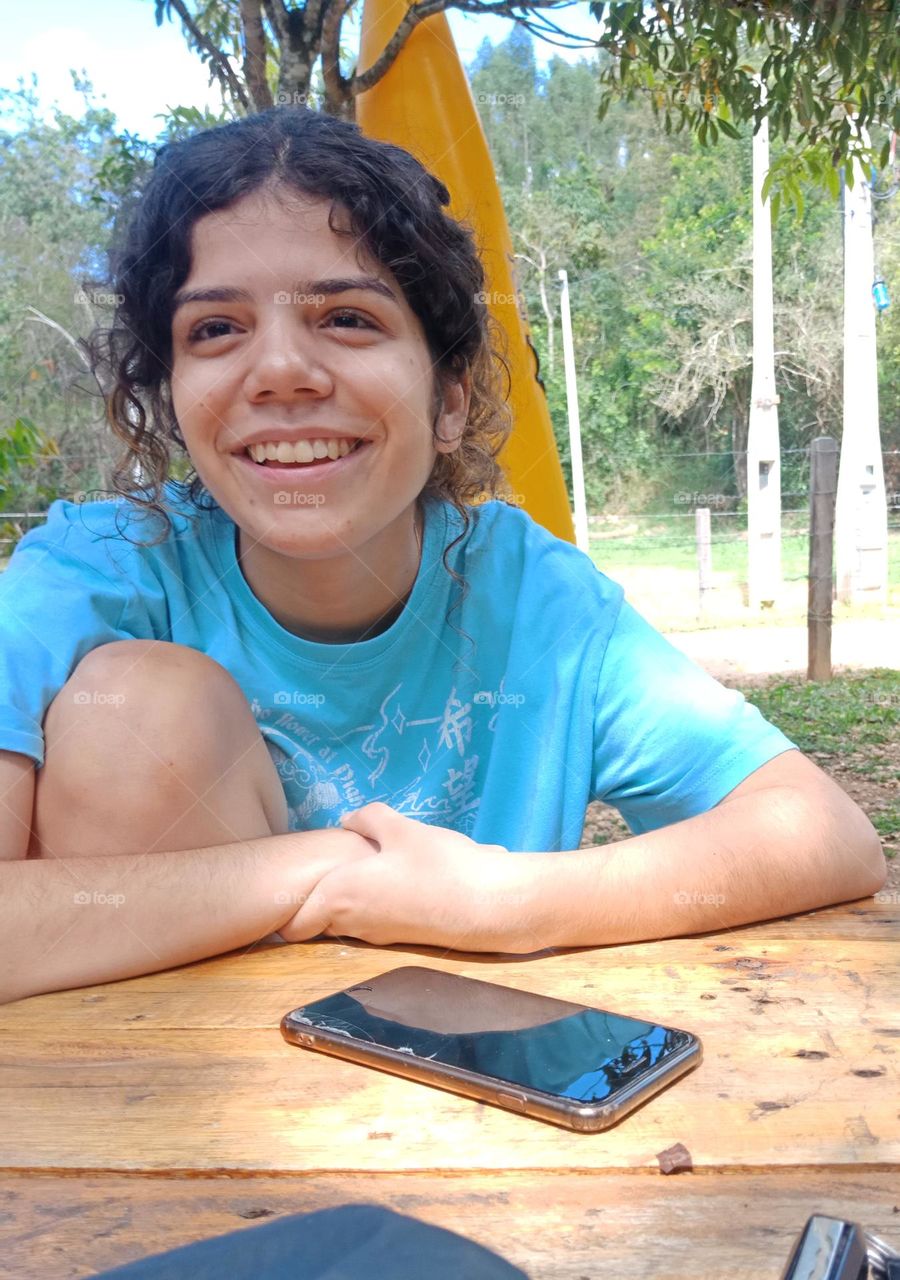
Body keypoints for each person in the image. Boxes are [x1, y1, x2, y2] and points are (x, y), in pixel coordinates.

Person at [0, 108, 884, 1005]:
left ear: (449, 400)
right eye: (215, 330)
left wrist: (505, 899)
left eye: (346, 317)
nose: (277, 370)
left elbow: (826, 833)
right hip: (174, 1096)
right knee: (142, 708)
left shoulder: (532, 599)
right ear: (176, 398)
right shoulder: (97, 571)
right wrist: (327, 870)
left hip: (469, 1090)